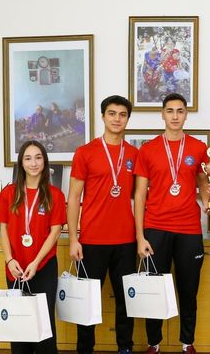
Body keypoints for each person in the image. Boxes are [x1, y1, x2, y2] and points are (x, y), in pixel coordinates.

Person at [134, 92, 210, 354]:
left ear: (186, 114)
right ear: (163, 114)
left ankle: (187, 342)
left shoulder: (199, 148)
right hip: (155, 228)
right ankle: (153, 343)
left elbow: (203, 182)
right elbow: (140, 194)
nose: (175, 116)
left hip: (189, 229)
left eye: (180, 111)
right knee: (154, 289)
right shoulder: (148, 149)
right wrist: (140, 236)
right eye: (170, 111)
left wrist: (209, 201)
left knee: (188, 290)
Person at [67, 95, 139, 354]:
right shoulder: (85, 153)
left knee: (125, 301)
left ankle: (125, 348)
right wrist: (74, 238)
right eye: (112, 113)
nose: (117, 118)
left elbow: (140, 197)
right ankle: (85, 349)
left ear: (128, 119)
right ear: (103, 117)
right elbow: (73, 197)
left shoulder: (133, 154)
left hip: (126, 241)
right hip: (91, 241)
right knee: (87, 302)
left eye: (122, 114)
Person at [0, 140, 66, 354]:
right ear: (21, 163)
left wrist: (36, 263)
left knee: (44, 326)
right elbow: (4, 229)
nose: (33, 163)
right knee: (19, 325)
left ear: (44, 162)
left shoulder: (55, 195)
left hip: (43, 267)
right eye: (28, 158)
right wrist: (9, 260)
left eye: (38, 157)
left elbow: (54, 233)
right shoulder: (9, 193)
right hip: (15, 268)